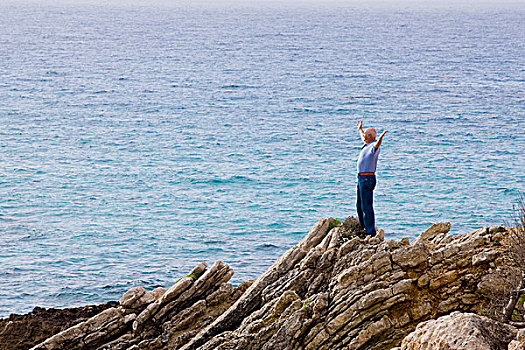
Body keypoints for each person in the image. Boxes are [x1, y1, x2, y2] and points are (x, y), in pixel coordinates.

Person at [356, 120, 387, 237]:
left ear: (369, 137)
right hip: (361, 178)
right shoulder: (366, 145)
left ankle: (370, 232)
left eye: (365, 135)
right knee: (359, 205)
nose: (363, 136)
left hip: (367, 178)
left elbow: (377, 144)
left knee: (367, 206)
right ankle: (363, 227)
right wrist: (360, 129)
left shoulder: (374, 147)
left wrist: (380, 139)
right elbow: (363, 137)